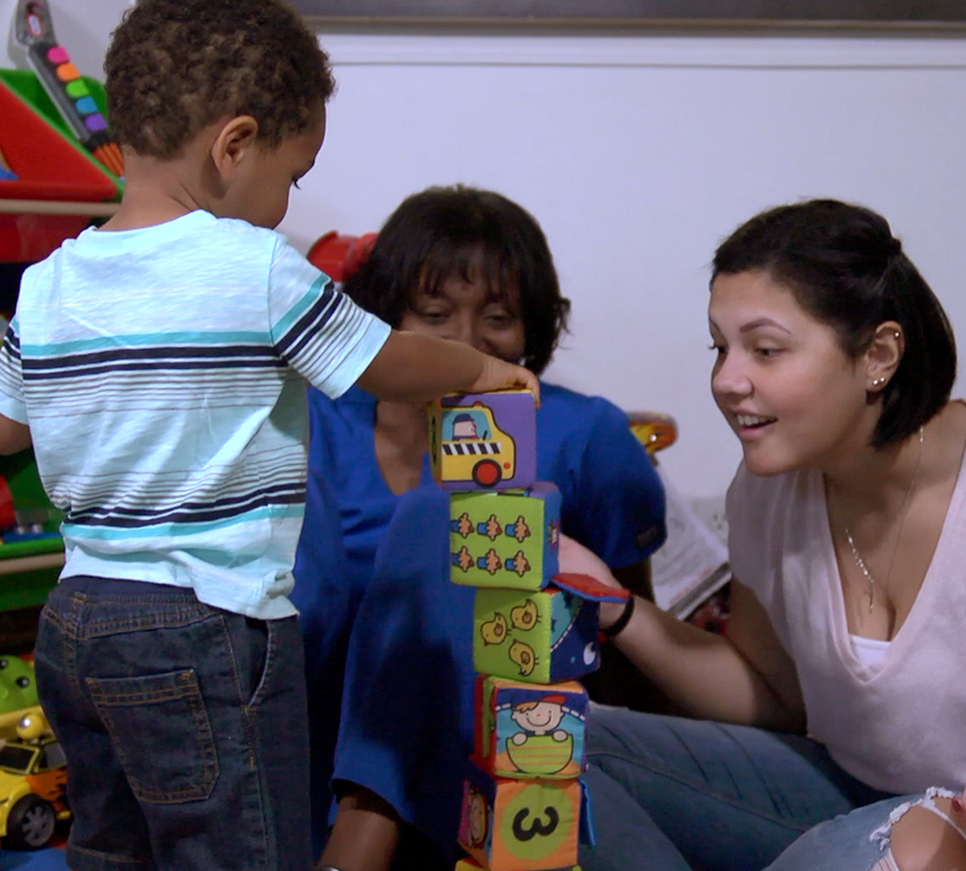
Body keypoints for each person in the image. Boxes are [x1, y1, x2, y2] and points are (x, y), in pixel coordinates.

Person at [0, 4, 540, 869]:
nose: (288, 201)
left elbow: (5, 425)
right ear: (234, 145)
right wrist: (477, 372)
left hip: (76, 619)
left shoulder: (49, 281)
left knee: (113, 846)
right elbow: (379, 361)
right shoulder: (251, 267)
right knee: (242, 847)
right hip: (205, 622)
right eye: (294, 175)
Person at [565, 199, 966, 871]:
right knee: (555, 747)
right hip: (836, 787)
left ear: (879, 354)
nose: (727, 380)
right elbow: (769, 692)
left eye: (766, 349)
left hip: (943, 831)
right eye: (721, 348)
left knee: (876, 849)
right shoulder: (767, 489)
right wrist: (618, 607)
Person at [289, 184, 667, 869]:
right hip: (317, 750)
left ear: (532, 329)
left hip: (506, 761)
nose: (465, 342)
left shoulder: (589, 434)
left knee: (447, 514)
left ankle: (368, 826)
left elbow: (633, 649)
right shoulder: (319, 421)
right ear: (386, 315)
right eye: (434, 313)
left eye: (497, 318)